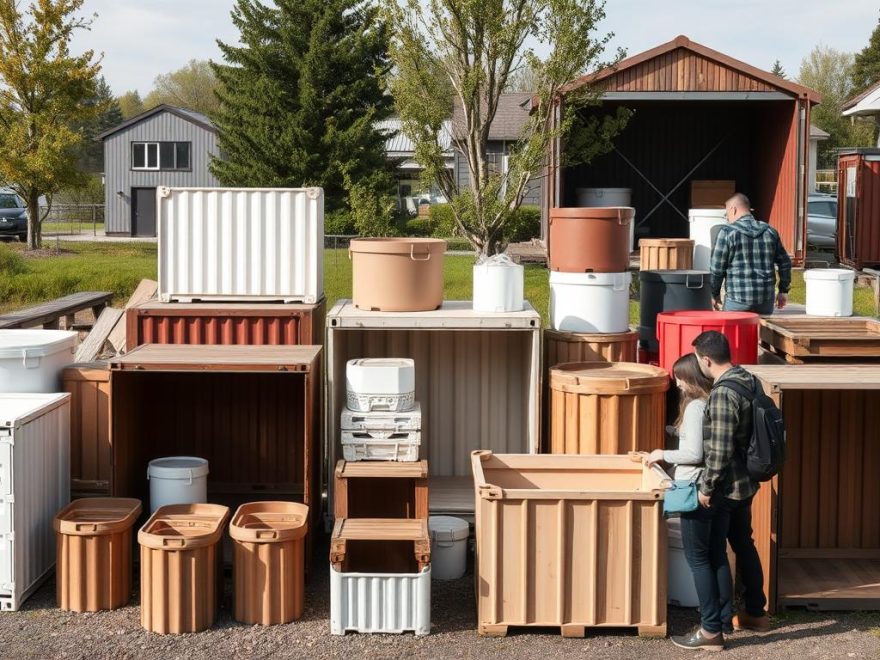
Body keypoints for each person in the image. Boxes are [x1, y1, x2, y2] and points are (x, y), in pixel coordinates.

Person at [670, 331, 770, 652]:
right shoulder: (749, 379)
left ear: (705, 359)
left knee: (702, 558)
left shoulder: (724, 394)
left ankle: (712, 629)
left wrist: (706, 488)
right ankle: (753, 612)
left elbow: (719, 450)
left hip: (723, 489)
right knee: (739, 545)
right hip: (747, 483)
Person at [711, 193, 792, 315]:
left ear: (733, 210)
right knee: (762, 333)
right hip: (765, 299)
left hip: (737, 299)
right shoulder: (770, 231)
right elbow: (785, 263)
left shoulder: (727, 233)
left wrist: (714, 294)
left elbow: (717, 269)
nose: (727, 217)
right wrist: (783, 291)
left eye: (726, 213)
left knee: (733, 334)